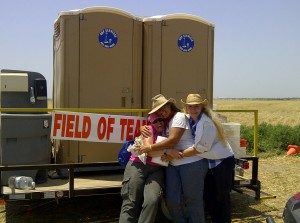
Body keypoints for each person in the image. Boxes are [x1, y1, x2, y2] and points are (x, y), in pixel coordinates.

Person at [137, 94, 208, 223]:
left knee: (192, 200)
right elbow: (160, 138)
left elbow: (172, 141)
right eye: (158, 110)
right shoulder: (165, 121)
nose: (161, 111)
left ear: (170, 105)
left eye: (164, 107)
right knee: (172, 200)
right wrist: (143, 128)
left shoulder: (179, 117)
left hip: (191, 162)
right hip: (173, 164)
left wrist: (150, 148)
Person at [180, 94, 235, 223]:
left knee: (221, 197)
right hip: (212, 162)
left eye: (196, 106)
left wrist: (179, 154)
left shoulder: (206, 123)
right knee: (210, 196)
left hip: (222, 162)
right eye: (190, 106)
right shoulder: (192, 119)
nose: (193, 109)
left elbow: (200, 148)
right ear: (186, 108)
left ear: (201, 107)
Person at [119, 113, 166, 223]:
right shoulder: (148, 129)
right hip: (137, 165)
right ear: (150, 123)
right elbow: (149, 151)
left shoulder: (167, 130)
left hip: (156, 170)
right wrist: (169, 152)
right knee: (130, 203)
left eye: (161, 120)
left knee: (152, 201)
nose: (159, 123)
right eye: (155, 121)